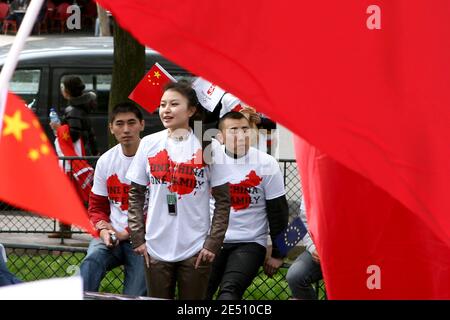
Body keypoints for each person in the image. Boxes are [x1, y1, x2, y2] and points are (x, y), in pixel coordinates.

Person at [126, 80, 231, 299]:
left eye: (174, 104)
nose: (166, 110)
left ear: (191, 110)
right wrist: (138, 238)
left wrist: (212, 244)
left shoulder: (207, 143)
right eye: (163, 104)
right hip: (155, 247)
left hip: (195, 248)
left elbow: (223, 201)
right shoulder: (148, 143)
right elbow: (135, 194)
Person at [206, 111, 289, 300]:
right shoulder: (209, 160)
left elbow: (279, 212)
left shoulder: (267, 163)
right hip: (212, 241)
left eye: (245, 129)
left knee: (229, 293)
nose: (241, 135)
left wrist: (279, 253)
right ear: (220, 137)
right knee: (199, 292)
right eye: (233, 130)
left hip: (250, 242)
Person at [79, 102, 147, 296]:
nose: (126, 129)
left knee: (135, 292)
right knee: (92, 260)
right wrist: (102, 229)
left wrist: (129, 232)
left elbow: (163, 208)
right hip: (112, 235)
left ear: (142, 124)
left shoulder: (154, 158)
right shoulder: (106, 160)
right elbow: (96, 206)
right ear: (111, 128)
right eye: (119, 123)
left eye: (131, 122)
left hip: (144, 239)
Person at [48, 76, 99, 239]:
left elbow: (74, 135)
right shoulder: (80, 108)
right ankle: (67, 226)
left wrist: (58, 128)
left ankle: (67, 227)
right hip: (78, 156)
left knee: (69, 191)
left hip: (73, 159)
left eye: (63, 87)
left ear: (67, 91)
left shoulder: (73, 110)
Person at [286, 198, 323, 300]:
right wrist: (312, 247)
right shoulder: (313, 184)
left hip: (347, 252)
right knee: (295, 276)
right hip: (319, 249)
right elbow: (304, 221)